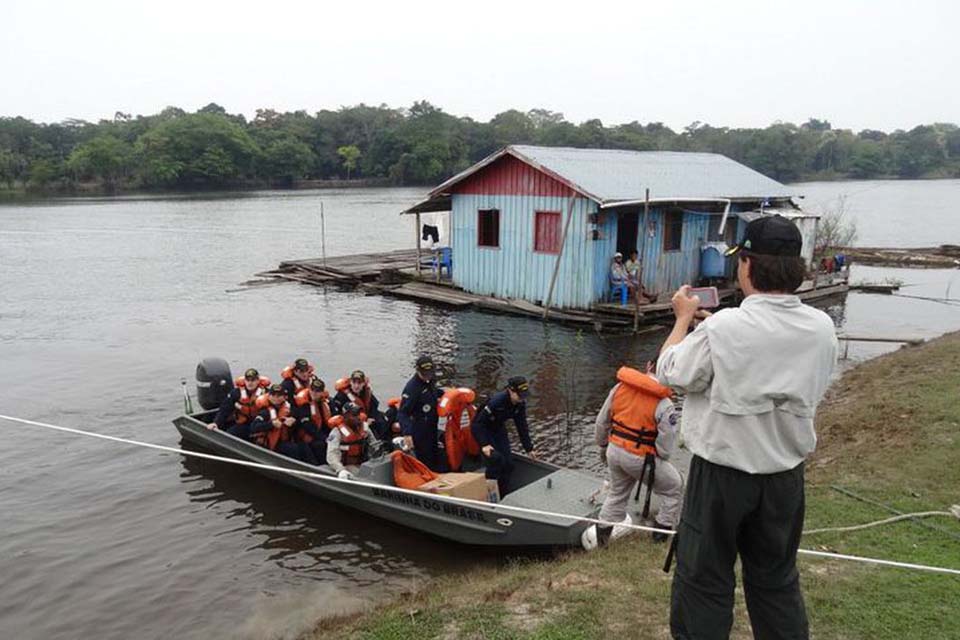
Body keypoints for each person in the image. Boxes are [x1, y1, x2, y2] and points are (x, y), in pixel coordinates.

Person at [657, 215, 838, 640]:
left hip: (721, 477)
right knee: (776, 579)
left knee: (704, 579)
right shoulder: (822, 327)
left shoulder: (725, 326)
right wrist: (711, 335)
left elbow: (672, 372)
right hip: (783, 476)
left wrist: (684, 320)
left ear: (749, 265)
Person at [593, 366, 683, 546]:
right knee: (675, 487)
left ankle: (601, 542)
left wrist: (603, 445)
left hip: (614, 451)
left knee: (617, 494)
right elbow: (665, 448)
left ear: (649, 366)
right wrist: (655, 457)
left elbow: (601, 422)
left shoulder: (619, 388)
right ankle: (660, 536)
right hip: (641, 458)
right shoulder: (665, 404)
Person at [470, 376, 536, 496]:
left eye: (524, 396)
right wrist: (484, 444)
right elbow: (477, 425)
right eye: (520, 395)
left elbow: (522, 426)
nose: (522, 399)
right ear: (511, 391)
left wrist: (529, 448)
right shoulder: (497, 402)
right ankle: (489, 494)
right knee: (496, 460)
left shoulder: (520, 404)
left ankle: (504, 494)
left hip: (498, 428)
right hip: (484, 429)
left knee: (509, 464)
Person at [249, 383, 318, 464]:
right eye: (273, 395)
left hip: (287, 440)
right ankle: (297, 468)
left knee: (304, 446)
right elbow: (253, 427)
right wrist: (271, 424)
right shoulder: (265, 412)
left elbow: (300, 420)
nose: (276, 398)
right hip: (272, 444)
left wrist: (294, 422)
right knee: (293, 449)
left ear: (284, 397)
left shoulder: (290, 409)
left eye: (279, 395)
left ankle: (315, 466)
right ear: (269, 396)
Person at [398, 355, 442, 471]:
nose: (427, 377)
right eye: (424, 374)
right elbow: (403, 413)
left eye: (430, 373)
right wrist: (407, 433)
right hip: (419, 429)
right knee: (425, 460)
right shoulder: (412, 388)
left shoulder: (431, 379)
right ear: (418, 371)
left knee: (435, 455)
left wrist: (446, 394)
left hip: (432, 426)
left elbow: (433, 391)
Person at [326, 402, 381, 478]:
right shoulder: (337, 432)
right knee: (363, 475)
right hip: (347, 466)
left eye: (359, 413)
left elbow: (374, 444)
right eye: (354, 415)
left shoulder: (364, 427)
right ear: (346, 416)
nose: (358, 417)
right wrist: (340, 469)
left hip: (365, 463)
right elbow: (332, 454)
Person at [208, 368, 271, 433]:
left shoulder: (266, 393)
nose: (250, 383)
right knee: (231, 433)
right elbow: (225, 408)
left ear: (258, 381)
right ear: (244, 381)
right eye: (247, 380)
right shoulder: (236, 393)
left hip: (259, 424)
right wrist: (216, 422)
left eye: (253, 380)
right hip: (243, 423)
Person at [331, 370, 387, 439]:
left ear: (363, 383)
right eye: (354, 382)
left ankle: (384, 442)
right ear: (350, 382)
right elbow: (337, 413)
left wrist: (371, 418)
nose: (356, 386)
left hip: (366, 417)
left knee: (381, 421)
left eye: (359, 383)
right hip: (350, 421)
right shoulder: (341, 396)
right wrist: (363, 421)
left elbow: (373, 407)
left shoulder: (366, 392)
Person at [292, 377, 332, 463]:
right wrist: (324, 438)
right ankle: (320, 465)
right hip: (307, 437)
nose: (314, 393)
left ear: (322, 392)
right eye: (312, 390)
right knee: (319, 445)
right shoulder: (304, 405)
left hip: (323, 434)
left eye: (317, 391)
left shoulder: (327, 403)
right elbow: (307, 425)